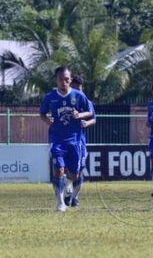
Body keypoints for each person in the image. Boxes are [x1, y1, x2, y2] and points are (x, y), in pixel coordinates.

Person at [39, 66, 92, 212]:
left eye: (67, 79)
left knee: (74, 174)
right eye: (61, 79)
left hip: (75, 141)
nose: (64, 82)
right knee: (58, 170)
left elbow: (90, 112)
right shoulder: (50, 97)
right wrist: (46, 119)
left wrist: (80, 116)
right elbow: (42, 113)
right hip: (57, 140)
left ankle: (68, 183)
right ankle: (60, 203)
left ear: (70, 80)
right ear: (56, 80)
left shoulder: (79, 96)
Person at [64, 74, 96, 207]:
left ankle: (74, 197)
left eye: (80, 89)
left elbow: (93, 118)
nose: (79, 92)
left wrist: (86, 123)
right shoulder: (64, 100)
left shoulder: (86, 101)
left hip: (81, 142)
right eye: (76, 89)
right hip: (65, 140)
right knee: (69, 170)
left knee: (80, 171)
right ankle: (67, 193)